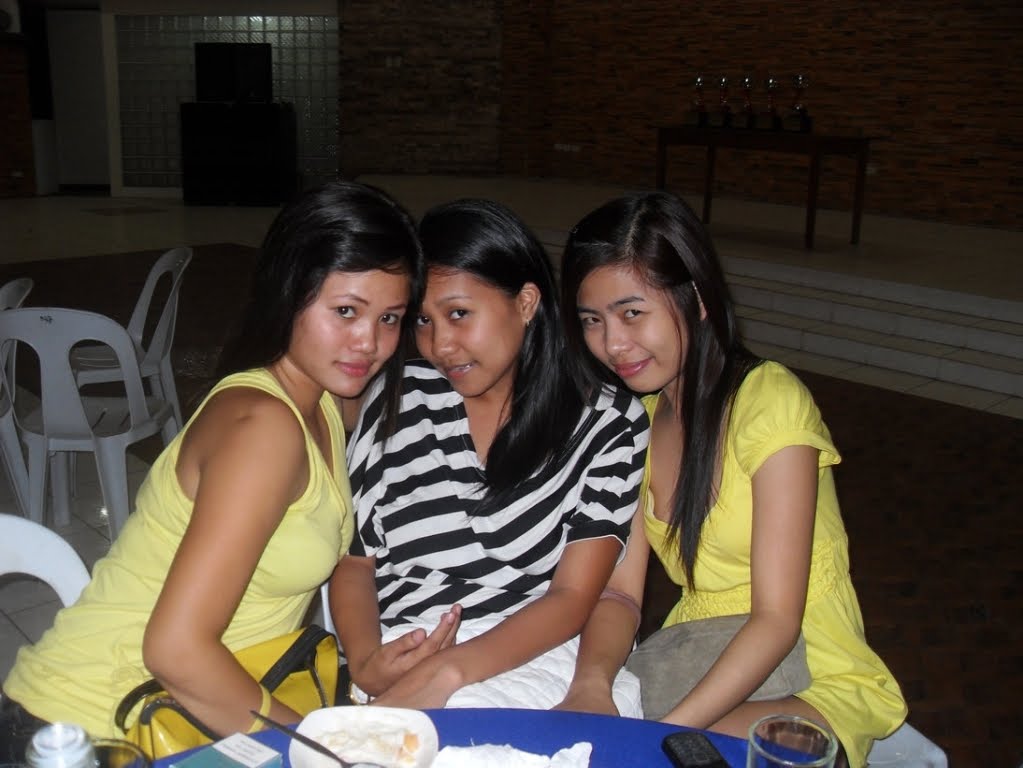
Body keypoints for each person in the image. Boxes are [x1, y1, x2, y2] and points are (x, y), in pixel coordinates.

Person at [0, 181, 424, 755]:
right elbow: (176, 652)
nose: (369, 343)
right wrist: (323, 749)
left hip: (182, 716)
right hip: (87, 729)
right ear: (288, 292)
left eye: (390, 318)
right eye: (346, 311)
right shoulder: (264, 428)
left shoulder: (324, 398)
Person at [555, 191, 906, 766]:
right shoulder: (639, 421)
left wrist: (659, 735)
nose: (612, 344)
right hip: (704, 657)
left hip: (812, 672)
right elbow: (620, 590)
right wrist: (590, 685)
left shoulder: (770, 402)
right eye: (593, 320)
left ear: (695, 298)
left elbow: (777, 621)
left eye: (632, 313)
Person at [329, 199, 648, 713]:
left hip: (532, 656)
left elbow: (572, 597)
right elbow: (355, 561)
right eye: (422, 321)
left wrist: (449, 672)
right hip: (402, 647)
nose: (440, 345)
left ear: (525, 302)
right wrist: (366, 660)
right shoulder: (397, 397)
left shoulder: (607, 424)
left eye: (459, 314)